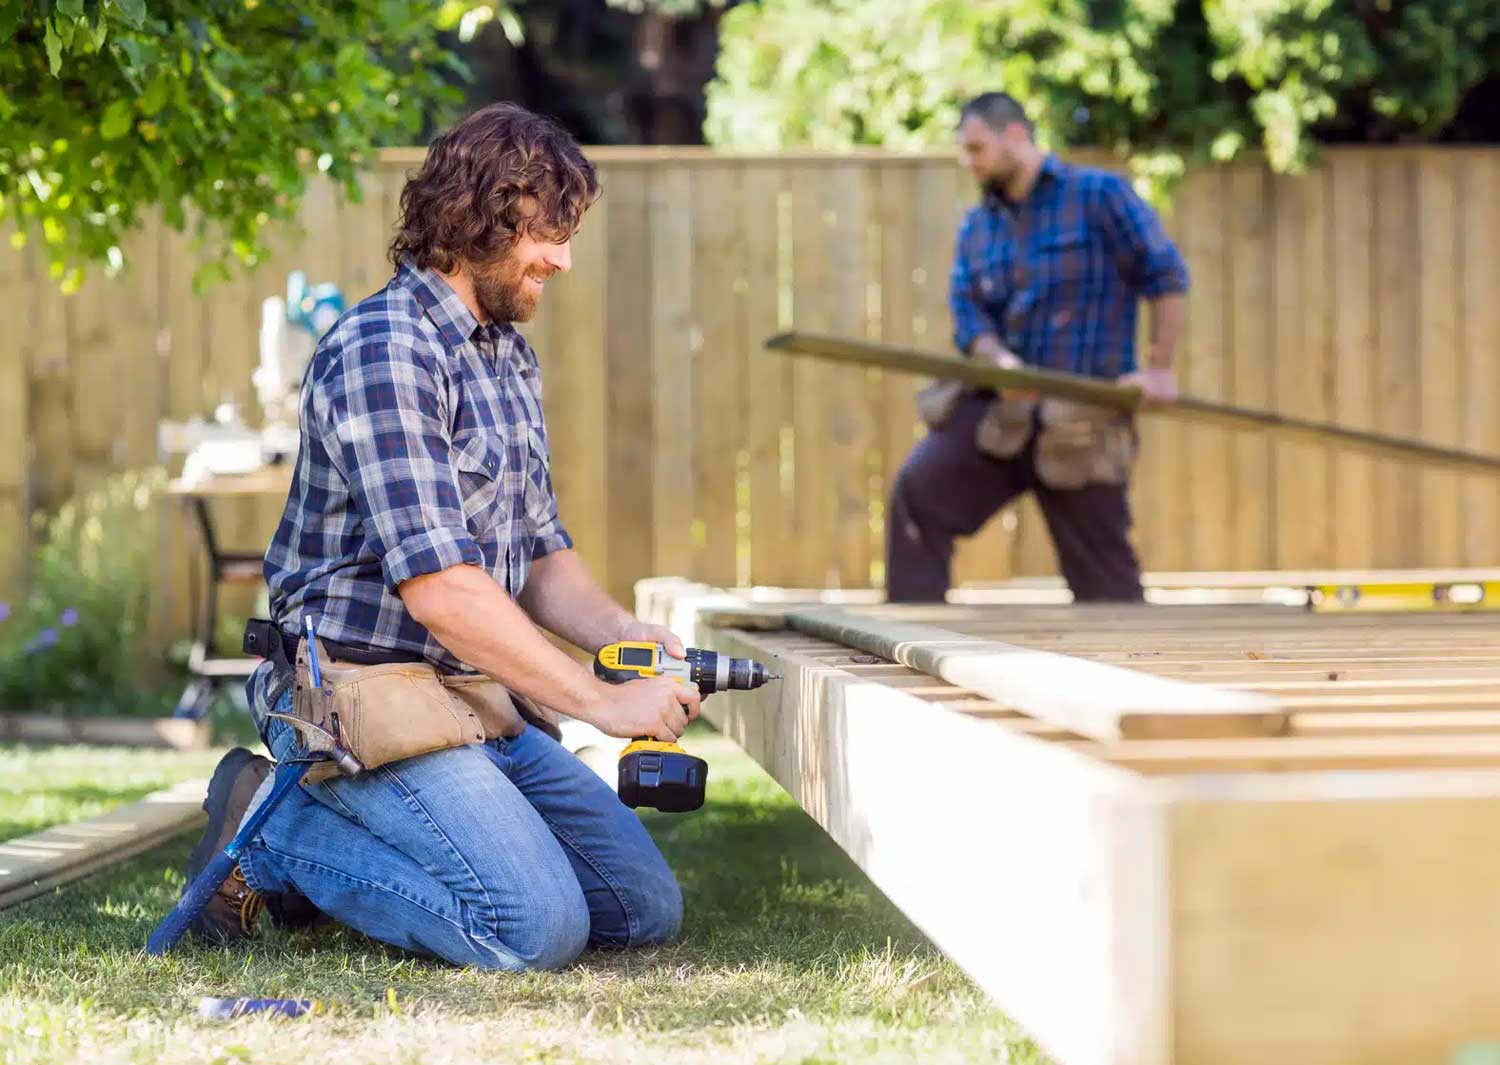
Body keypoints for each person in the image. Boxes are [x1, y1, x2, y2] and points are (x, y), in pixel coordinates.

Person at [172, 103, 698, 970]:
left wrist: (621, 636)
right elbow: (443, 590)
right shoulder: (386, 348)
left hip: (468, 697)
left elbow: (539, 554)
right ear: (479, 216)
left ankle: (328, 836)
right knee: (535, 927)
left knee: (639, 906)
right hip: (356, 692)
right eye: (548, 233)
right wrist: (604, 704)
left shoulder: (505, 355)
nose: (563, 259)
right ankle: (273, 828)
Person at [886, 92, 1189, 603]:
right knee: (918, 494)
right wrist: (999, 363)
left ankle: (1127, 666)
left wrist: (1159, 368)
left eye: (976, 148)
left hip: (1082, 426)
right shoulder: (978, 225)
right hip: (999, 418)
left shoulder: (1098, 196)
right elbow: (969, 316)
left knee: (1108, 590)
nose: (969, 162)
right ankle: (904, 650)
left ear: (1017, 137)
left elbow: (1165, 273)